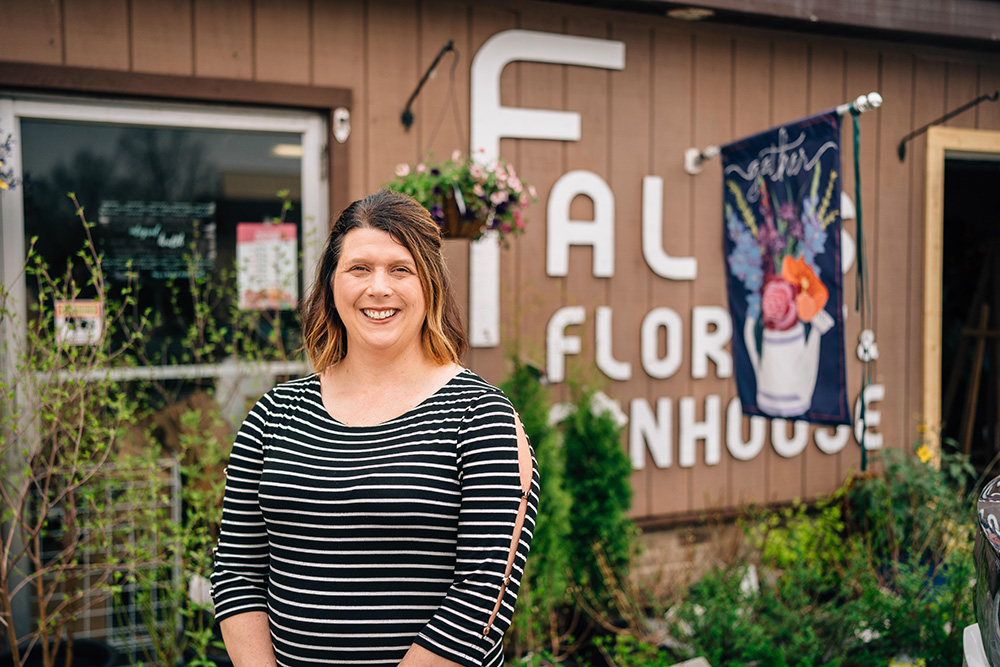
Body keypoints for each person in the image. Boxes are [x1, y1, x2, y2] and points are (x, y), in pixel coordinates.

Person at [210, 189, 539, 667]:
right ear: (332, 285)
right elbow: (237, 571)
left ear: (430, 285)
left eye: (400, 269)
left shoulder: (481, 417)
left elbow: (484, 594)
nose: (378, 288)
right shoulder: (273, 415)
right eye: (359, 268)